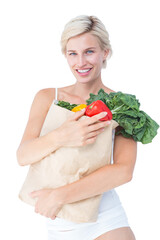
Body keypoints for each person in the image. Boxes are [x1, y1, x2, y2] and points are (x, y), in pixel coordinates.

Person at [17, 15, 137, 240]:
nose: (80, 62)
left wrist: (58, 197)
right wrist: (62, 136)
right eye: (73, 53)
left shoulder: (122, 106)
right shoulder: (47, 97)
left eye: (89, 51)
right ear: (65, 55)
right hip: (59, 225)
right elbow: (23, 155)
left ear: (105, 53)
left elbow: (124, 171)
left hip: (105, 219)